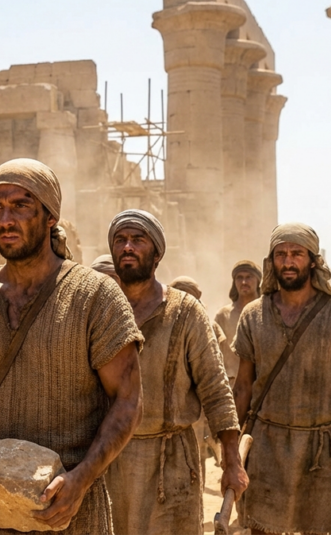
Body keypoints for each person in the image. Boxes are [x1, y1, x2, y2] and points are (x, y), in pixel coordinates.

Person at [0, 159, 144, 534]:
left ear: (49, 217)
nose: (5, 219)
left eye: (21, 205)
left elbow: (128, 400)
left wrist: (80, 481)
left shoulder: (94, 296)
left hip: (64, 515)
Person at [232, 223, 331, 535]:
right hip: (266, 444)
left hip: (322, 448)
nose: (288, 261)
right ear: (271, 262)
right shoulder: (253, 315)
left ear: (313, 260)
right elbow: (243, 385)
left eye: (296, 253)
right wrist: (231, 448)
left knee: (322, 529)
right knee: (262, 529)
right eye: (280, 254)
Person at [106, 212, 245, 535]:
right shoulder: (100, 309)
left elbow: (215, 389)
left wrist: (232, 461)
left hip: (172, 468)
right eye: (120, 240)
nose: (127, 247)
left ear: (157, 253)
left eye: (138, 240)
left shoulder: (185, 312)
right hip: (108, 462)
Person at [169, 275, 228, 466]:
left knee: (195, 456)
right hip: (168, 408)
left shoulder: (209, 327)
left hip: (198, 407)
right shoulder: (162, 324)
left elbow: (218, 369)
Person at [212, 261, 261, 384]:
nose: (244, 282)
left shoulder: (267, 312)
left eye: (248, 277)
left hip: (260, 384)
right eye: (239, 278)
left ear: (258, 281)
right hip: (231, 384)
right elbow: (213, 352)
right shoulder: (223, 315)